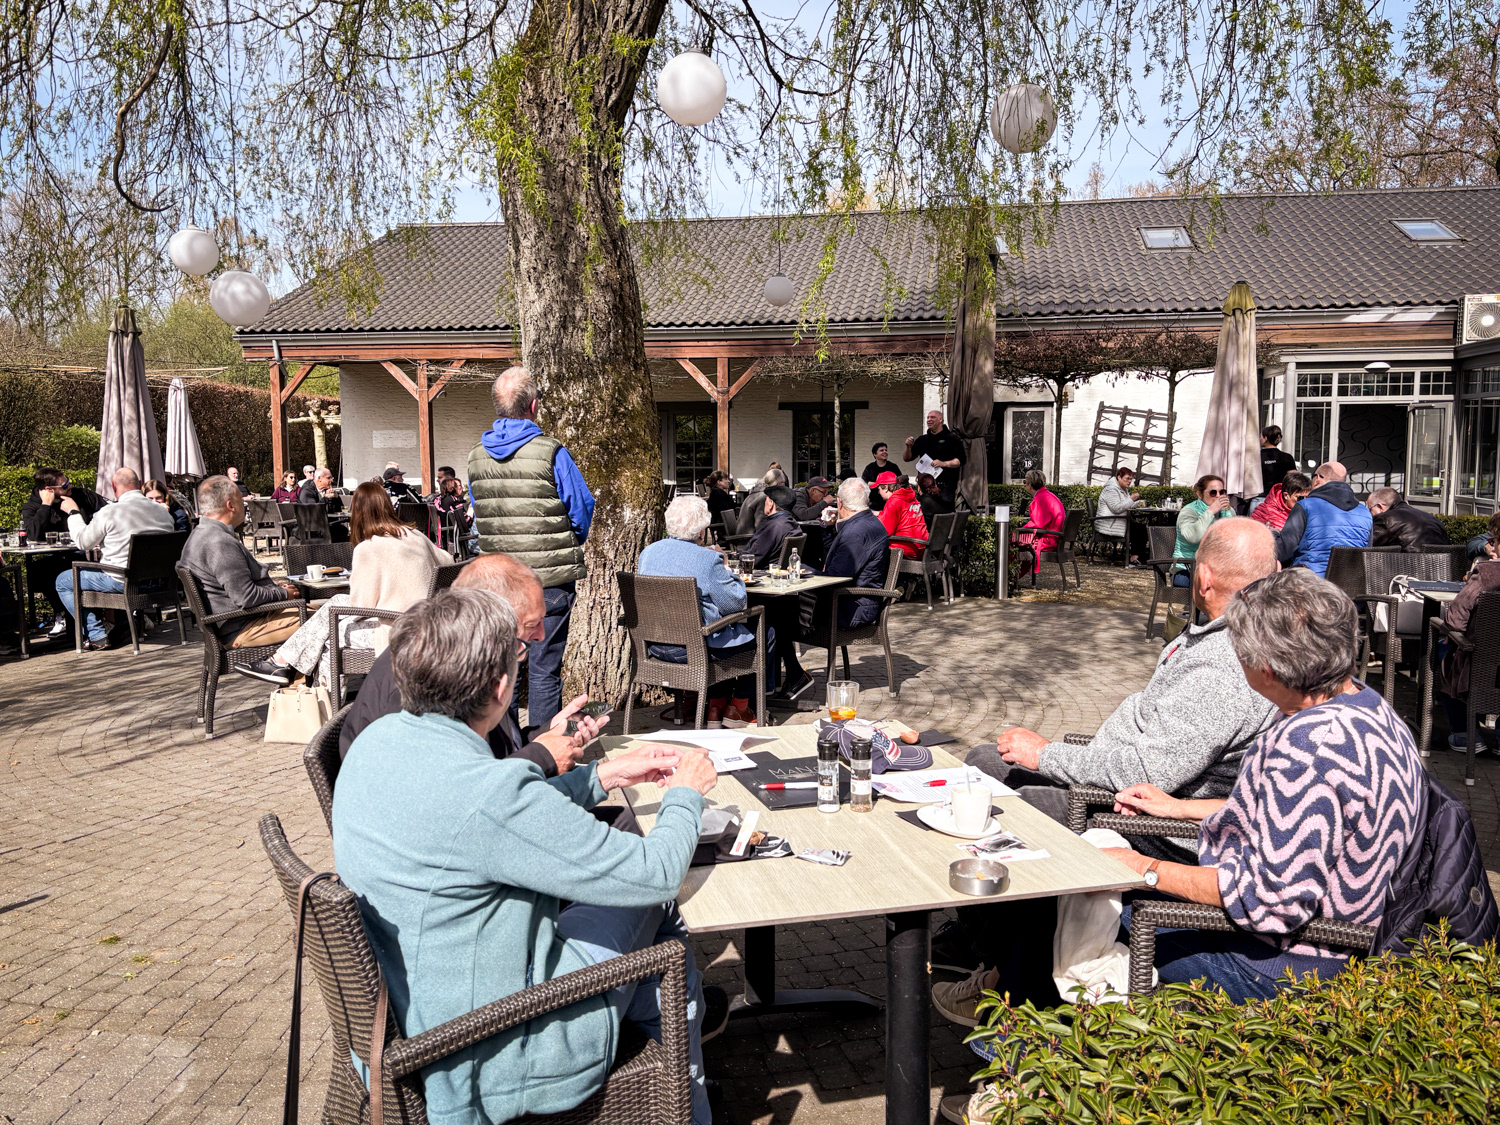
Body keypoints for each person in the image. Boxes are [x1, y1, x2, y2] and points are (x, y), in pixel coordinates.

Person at [332, 589, 722, 1125]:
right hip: (494, 1048)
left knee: (661, 972)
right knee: (657, 913)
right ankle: (678, 1092)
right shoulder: (485, 795)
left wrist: (601, 776)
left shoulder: (378, 740)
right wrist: (685, 794)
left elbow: (484, 817)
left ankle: (674, 1075)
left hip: (411, 1018)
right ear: (500, 687)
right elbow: (655, 874)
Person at [933, 520, 1282, 982]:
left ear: (1202, 578)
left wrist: (1047, 755)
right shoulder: (1219, 636)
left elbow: (1146, 770)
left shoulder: (1223, 666)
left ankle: (1004, 974)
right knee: (983, 763)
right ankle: (976, 940)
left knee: (1010, 809)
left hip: (1155, 825)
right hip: (1130, 787)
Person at [1095, 568, 1426, 1002]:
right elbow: (1299, 821)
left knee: (1083, 905)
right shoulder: (1367, 704)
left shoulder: (1307, 748)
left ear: (1265, 669)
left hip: (1282, 967)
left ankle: (1040, 1032)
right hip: (1336, 936)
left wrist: (1142, 869)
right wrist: (1178, 807)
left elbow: (1267, 902)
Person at [339, 553, 601, 769]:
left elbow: (495, 749)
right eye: (532, 624)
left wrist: (548, 732)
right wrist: (544, 757)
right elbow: (453, 785)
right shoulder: (428, 672)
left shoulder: (467, 654)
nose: (542, 634)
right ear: (492, 617)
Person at [469, 365, 596, 731]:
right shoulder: (551, 453)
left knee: (503, 668)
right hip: (548, 580)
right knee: (544, 669)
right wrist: (564, 542)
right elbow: (581, 509)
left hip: (498, 581)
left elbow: (480, 513)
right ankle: (543, 747)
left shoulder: (476, 456)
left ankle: (505, 744)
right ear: (534, 405)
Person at [236, 482, 452, 686]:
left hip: (398, 631)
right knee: (336, 603)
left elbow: (361, 608)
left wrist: (363, 582)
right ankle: (282, 662)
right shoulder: (415, 535)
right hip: (429, 624)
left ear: (357, 512)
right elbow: (448, 562)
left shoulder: (368, 548)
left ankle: (324, 703)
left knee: (330, 637)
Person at [639, 494, 770, 727]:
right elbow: (734, 603)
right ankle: (738, 708)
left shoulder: (648, 553)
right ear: (701, 530)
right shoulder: (707, 559)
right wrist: (726, 567)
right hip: (694, 650)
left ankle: (715, 708)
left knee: (718, 631)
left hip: (654, 645)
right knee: (765, 632)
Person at [54, 467, 176, 649]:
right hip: (158, 582)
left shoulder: (110, 512)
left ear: (113, 486)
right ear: (140, 484)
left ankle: (96, 635)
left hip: (122, 581)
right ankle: (124, 625)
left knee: (63, 581)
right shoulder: (162, 512)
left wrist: (73, 513)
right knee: (115, 568)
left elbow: (83, 542)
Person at [179, 475, 303, 648]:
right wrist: (283, 594)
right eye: (241, 500)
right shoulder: (219, 542)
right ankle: (279, 663)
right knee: (327, 620)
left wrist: (274, 589)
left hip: (238, 622)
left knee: (320, 614)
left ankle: (286, 665)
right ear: (230, 505)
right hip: (243, 628)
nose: (244, 506)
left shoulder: (201, 534)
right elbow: (245, 597)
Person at [1435, 517, 1500, 752]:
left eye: (1494, 540)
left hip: (1484, 662)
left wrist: (1451, 633)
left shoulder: (1488, 573)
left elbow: (1455, 616)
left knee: (1443, 651)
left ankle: (1465, 734)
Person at [20, 468, 107, 635]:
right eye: (65, 485)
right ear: (49, 490)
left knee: (61, 570)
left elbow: (108, 513)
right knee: (37, 571)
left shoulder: (82, 496)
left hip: (84, 553)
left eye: (68, 482)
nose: (70, 486)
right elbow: (32, 535)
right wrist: (45, 506)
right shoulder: (33, 505)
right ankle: (63, 615)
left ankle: (88, 622)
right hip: (56, 556)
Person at [801, 477, 890, 634]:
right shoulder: (869, 522)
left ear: (839, 502)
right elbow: (837, 557)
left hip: (850, 608)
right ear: (867, 500)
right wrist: (828, 528)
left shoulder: (855, 533)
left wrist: (800, 569)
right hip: (858, 602)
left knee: (784, 609)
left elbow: (834, 578)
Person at [1276, 460, 1372, 577]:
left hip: (1310, 581)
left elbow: (1285, 550)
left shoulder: (1306, 506)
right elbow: (1368, 554)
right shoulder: (1365, 512)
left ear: (1317, 479)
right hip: (1350, 582)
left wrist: (1273, 536)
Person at [1172, 474, 1236, 586]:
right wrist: (1210, 512)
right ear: (1199, 494)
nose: (1218, 496)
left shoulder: (1228, 511)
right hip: (1187, 568)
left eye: (1222, 492)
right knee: (1212, 585)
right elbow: (1193, 537)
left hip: (1217, 568)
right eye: (1213, 493)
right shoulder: (1189, 511)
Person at [903, 410, 965, 506]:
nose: (929, 420)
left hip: (945, 486)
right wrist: (908, 447)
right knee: (925, 510)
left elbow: (960, 460)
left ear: (941, 419)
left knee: (944, 511)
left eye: (932, 417)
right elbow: (907, 458)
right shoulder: (922, 440)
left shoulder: (952, 438)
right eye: (928, 417)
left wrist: (944, 463)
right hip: (925, 487)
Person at [1366, 486, 1449, 551]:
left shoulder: (1385, 519)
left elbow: (1367, 546)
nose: (1369, 513)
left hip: (1405, 565)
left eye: (1370, 509)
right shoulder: (1433, 519)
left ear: (1380, 506)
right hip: (1440, 566)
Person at [1015, 470, 1065, 575]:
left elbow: (1038, 523)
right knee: (1016, 539)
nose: (1024, 485)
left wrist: (1019, 529)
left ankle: (1010, 576)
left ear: (1029, 484)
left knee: (1012, 542)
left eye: (1025, 482)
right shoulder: (1048, 495)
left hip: (1049, 540)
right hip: (1055, 536)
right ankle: (1015, 575)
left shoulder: (1042, 498)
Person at [1094, 465, 1145, 564]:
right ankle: (1134, 557)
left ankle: (1137, 556)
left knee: (1141, 528)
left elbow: (1124, 505)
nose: (1129, 481)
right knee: (1139, 529)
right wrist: (1131, 499)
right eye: (1127, 478)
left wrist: (1136, 503)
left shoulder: (1122, 489)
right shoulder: (1111, 490)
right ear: (1119, 477)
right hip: (1108, 523)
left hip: (1117, 520)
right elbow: (1116, 508)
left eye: (1131, 479)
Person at [745, 484, 800, 569]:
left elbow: (753, 559)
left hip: (764, 571)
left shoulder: (773, 528)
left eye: (765, 500)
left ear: (771, 503)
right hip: (781, 571)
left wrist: (730, 558)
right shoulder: (793, 524)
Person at [874, 472, 927, 557]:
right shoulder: (909, 497)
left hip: (904, 549)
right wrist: (880, 513)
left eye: (879, 489)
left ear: (886, 488)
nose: (878, 492)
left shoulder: (894, 501)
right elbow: (902, 515)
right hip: (922, 546)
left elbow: (885, 531)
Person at [432, 474, 476, 556]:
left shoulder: (440, 500)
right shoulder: (453, 501)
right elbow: (464, 523)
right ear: (451, 487)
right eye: (455, 486)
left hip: (445, 532)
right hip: (455, 533)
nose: (459, 488)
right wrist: (470, 514)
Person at [735, 467, 787, 537]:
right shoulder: (764, 498)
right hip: (749, 540)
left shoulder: (757, 493)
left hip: (750, 538)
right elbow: (761, 526)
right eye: (784, 483)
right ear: (779, 484)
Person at [1258, 426, 1296, 493]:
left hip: (1259, 495)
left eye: (1261, 437)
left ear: (1265, 438)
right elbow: (1293, 479)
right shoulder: (1287, 457)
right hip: (1279, 495)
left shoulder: (1256, 457)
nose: (1259, 439)